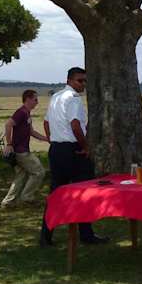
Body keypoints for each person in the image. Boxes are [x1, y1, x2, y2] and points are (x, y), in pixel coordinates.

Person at [40, 67, 109, 247]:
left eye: (85, 81)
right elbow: (76, 125)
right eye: (80, 81)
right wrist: (85, 146)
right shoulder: (73, 99)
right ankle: (86, 234)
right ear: (70, 80)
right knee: (84, 192)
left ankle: (45, 236)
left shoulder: (56, 97)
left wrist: (53, 139)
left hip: (57, 150)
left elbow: (46, 122)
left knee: (55, 193)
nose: (83, 84)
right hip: (73, 150)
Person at [1, 89, 50, 208]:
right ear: (28, 99)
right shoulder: (21, 112)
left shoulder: (26, 113)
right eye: (35, 99)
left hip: (20, 150)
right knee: (38, 172)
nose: (37, 102)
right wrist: (9, 144)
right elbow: (8, 124)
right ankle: (27, 197)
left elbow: (31, 131)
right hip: (21, 151)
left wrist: (46, 139)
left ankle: (8, 202)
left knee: (21, 176)